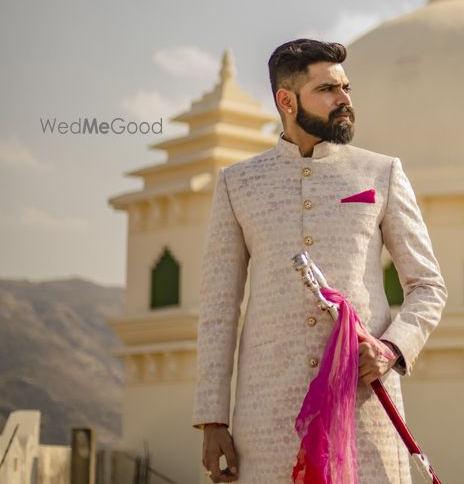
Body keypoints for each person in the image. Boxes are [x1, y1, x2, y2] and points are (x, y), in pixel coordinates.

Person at [191, 38, 447, 483]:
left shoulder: (380, 173)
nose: (345, 99)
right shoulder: (239, 185)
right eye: (328, 89)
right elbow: (218, 309)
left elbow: (428, 286)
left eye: (346, 88)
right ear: (286, 101)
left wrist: (391, 348)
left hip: (363, 406)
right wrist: (214, 420)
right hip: (268, 417)